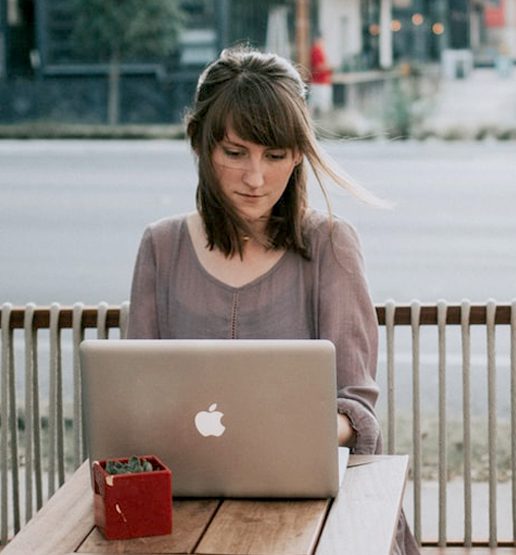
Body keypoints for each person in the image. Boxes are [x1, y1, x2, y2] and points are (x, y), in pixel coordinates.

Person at [125, 46, 420, 555]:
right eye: (235, 153)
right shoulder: (161, 246)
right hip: (187, 512)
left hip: (315, 516)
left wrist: (291, 434)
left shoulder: (330, 243)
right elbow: (132, 399)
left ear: (300, 152)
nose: (255, 178)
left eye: (275, 155)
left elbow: (358, 407)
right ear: (198, 142)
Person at [308, 33, 333, 115]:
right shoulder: (316, 50)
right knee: (320, 104)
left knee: (315, 103)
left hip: (321, 81)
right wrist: (329, 66)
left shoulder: (319, 50)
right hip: (319, 82)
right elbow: (318, 67)